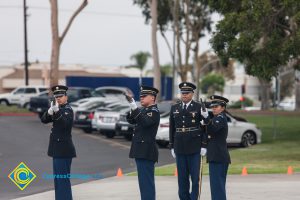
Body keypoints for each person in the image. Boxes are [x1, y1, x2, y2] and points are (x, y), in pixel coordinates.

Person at [169, 82, 208, 200]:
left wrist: (204, 145)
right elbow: (172, 128)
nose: (184, 95)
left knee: (195, 179)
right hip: (179, 146)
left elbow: (206, 126)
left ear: (192, 94)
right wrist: (171, 146)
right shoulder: (175, 108)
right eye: (182, 93)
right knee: (182, 178)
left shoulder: (198, 107)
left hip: (195, 147)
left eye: (187, 93)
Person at [41, 85, 76, 200]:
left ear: (66, 97)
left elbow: (65, 124)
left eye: (60, 96)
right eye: (56, 97)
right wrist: (50, 112)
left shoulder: (68, 110)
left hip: (64, 150)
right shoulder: (57, 108)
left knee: (63, 180)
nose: (58, 99)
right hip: (56, 150)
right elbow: (44, 120)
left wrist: (57, 112)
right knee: (58, 180)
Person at [126, 85, 160, 200]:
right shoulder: (144, 110)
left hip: (146, 151)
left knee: (146, 183)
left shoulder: (153, 111)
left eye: (144, 96)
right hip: (140, 150)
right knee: (143, 183)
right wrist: (132, 106)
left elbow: (145, 122)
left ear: (152, 98)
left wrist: (134, 107)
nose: (141, 98)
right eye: (140, 96)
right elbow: (130, 119)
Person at [202, 95, 231, 200]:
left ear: (223, 108)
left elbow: (212, 129)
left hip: (218, 156)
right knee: (216, 187)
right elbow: (208, 131)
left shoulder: (221, 118)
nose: (213, 108)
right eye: (212, 106)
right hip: (216, 156)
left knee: (217, 187)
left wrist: (206, 119)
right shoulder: (216, 118)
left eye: (216, 106)